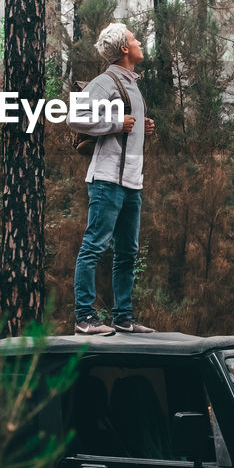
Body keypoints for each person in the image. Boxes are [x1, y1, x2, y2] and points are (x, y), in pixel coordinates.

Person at [67, 22, 157, 335]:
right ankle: (84, 318)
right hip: (106, 181)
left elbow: (127, 125)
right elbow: (75, 116)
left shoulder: (132, 83)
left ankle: (123, 317)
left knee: (127, 253)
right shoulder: (105, 81)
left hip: (132, 183)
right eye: (134, 39)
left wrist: (139, 126)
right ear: (124, 49)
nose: (139, 42)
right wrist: (118, 122)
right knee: (94, 247)